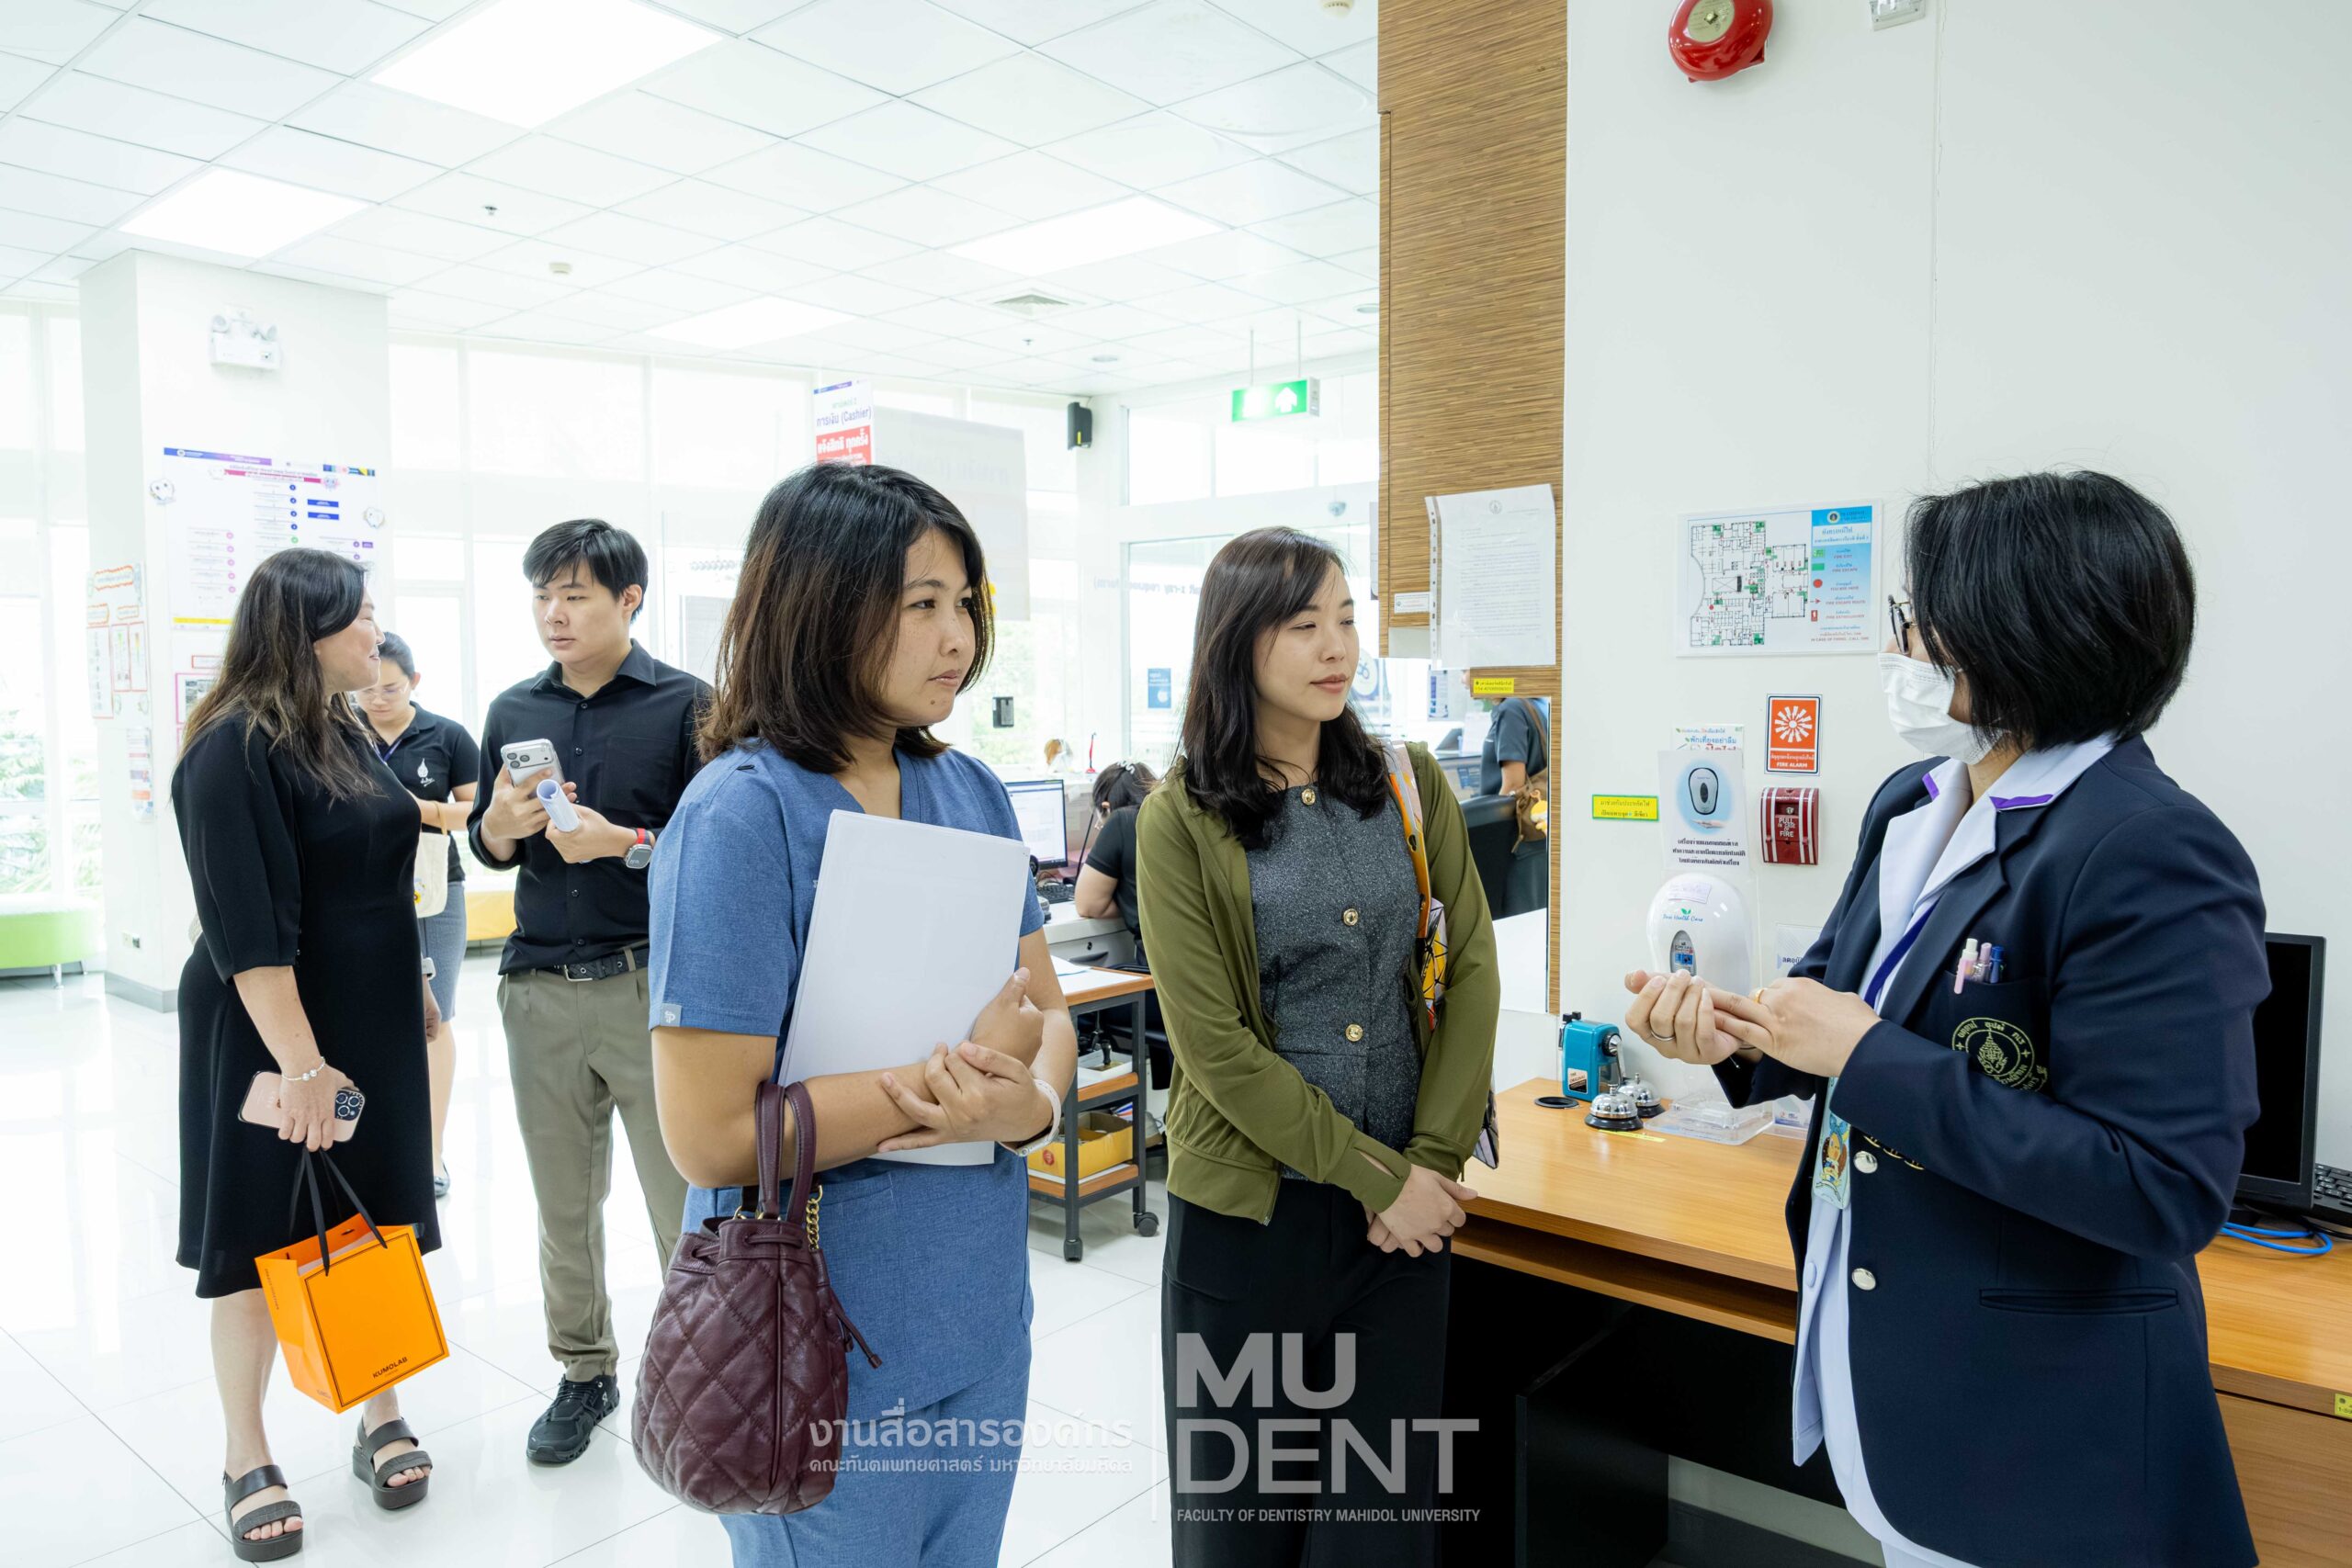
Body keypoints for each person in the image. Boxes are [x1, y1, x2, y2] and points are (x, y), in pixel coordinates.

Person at [1625, 472, 2265, 1568]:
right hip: (1898, 1375)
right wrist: (1729, 1038)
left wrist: (1865, 1056)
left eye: (1918, 620)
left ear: (2024, 631)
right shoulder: (1914, 800)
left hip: (2045, 1443)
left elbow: (2161, 1185)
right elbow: (1833, 1002)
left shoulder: (2147, 848)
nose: (1901, 646)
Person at [647, 461, 1077, 1566]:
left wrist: (1026, 1108)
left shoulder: (972, 790)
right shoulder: (741, 816)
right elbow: (710, 1135)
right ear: (821, 604)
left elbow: (1049, 1014)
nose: (958, 637)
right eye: (921, 603)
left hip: (978, 1316)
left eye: (965, 603)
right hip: (810, 1341)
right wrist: (942, 1091)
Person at [1136, 527, 1499, 1566]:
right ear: (1236, 642)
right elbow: (1215, 1049)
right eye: (1304, 625)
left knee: (1381, 1529)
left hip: (1403, 1228)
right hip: (1252, 1224)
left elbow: (1470, 970)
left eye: (1346, 618)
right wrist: (1379, 1178)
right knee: (1242, 1530)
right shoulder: (1179, 819)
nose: (1337, 646)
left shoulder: (1406, 781)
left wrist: (1427, 1165)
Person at [171, 549, 440, 1560]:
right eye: (361, 614)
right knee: (256, 1235)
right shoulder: (231, 748)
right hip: (272, 1033)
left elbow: (377, 871)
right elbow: (248, 935)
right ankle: (246, 1451)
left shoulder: (341, 726)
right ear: (306, 630)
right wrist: (304, 1068)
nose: (377, 630)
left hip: (369, 1022)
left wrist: (412, 980)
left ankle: (378, 1410)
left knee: (370, 1220)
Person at [466, 519, 705, 1465]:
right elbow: (491, 849)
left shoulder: (687, 706)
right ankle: (583, 1370)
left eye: (574, 595)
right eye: (541, 595)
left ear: (629, 599)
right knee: (563, 1206)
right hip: (537, 986)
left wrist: (625, 843)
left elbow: (713, 852)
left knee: (681, 1204)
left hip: (650, 985)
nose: (553, 614)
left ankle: (697, 1375)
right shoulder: (511, 710)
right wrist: (496, 822)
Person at [356, 631, 480, 1200]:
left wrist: (415, 809)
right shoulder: (341, 732)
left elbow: (474, 813)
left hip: (434, 891)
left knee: (433, 1019)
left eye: (391, 689)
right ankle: (377, 1150)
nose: (377, 700)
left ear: (414, 682)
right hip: (358, 888)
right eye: (368, 690)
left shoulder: (447, 736)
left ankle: (429, 1153)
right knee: (367, 1020)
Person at [1072, 761, 1157, 941]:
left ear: (1106, 808)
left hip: (1154, 957)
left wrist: (1128, 900)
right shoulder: (1168, 816)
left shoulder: (1121, 820)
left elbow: (1088, 904)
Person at [1476, 693, 1549, 799]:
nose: (1463, 683)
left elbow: (1513, 786)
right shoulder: (1532, 704)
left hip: (1511, 808)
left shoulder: (1512, 709)